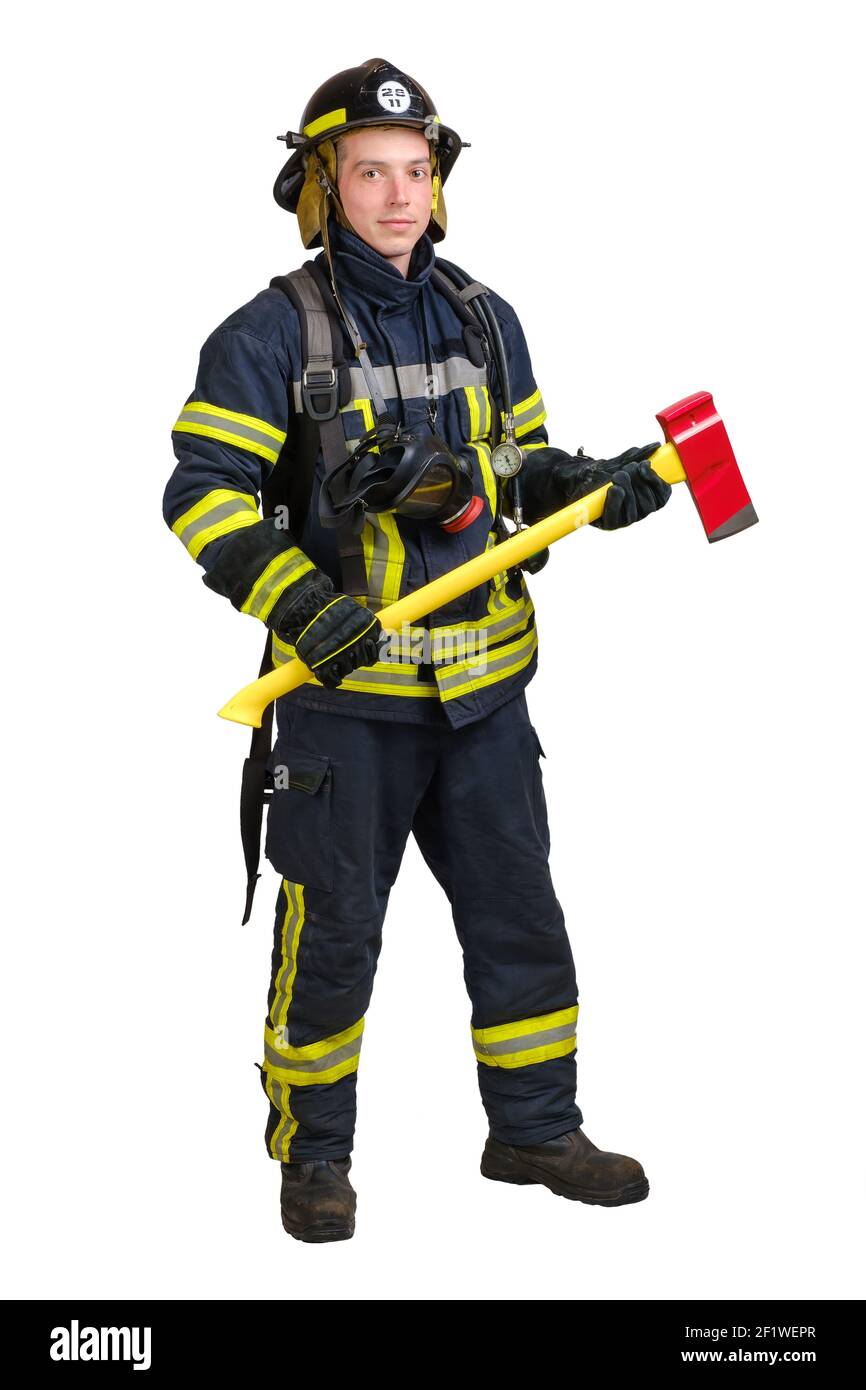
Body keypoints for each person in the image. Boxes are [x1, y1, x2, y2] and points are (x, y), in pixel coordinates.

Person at [163, 58, 671, 1243]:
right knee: (333, 933)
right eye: (368, 173)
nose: (398, 196)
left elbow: (517, 474)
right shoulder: (267, 333)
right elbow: (201, 492)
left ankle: (534, 1127)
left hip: (487, 694)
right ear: (320, 186)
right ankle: (315, 1155)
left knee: (518, 918)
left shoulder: (488, 318)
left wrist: (584, 486)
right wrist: (297, 601)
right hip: (348, 704)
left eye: (415, 171)